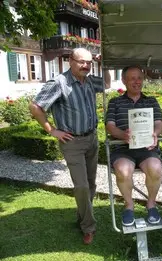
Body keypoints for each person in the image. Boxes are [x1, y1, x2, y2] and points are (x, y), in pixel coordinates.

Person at [29, 48, 111, 245]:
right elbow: (35, 107)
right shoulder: (60, 83)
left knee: (90, 184)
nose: (86, 66)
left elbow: (107, 84)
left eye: (89, 62)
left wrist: (104, 65)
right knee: (82, 186)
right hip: (72, 142)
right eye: (82, 62)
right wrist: (51, 130)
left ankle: (82, 217)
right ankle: (88, 226)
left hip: (91, 138)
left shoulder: (90, 80)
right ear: (70, 61)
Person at [106, 65, 162, 226]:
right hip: (123, 148)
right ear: (124, 80)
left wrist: (155, 133)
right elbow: (110, 126)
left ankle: (151, 204)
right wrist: (122, 135)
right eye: (132, 78)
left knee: (155, 168)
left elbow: (159, 123)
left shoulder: (151, 101)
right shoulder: (115, 102)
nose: (136, 82)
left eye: (139, 78)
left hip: (147, 148)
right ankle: (129, 205)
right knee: (123, 171)